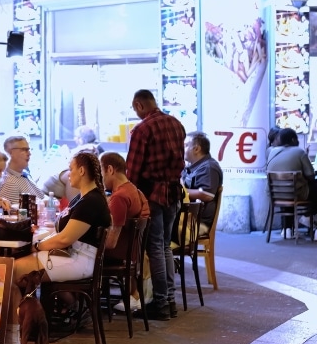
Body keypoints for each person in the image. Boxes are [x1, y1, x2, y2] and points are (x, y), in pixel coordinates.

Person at [12, 152, 111, 327]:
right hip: (74, 257)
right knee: (18, 267)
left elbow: (64, 239)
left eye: (71, 169)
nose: (68, 173)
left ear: (81, 171)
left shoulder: (90, 202)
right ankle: (29, 324)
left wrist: (37, 246)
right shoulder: (83, 198)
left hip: (79, 262)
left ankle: (16, 330)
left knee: (13, 271)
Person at [124, 89, 186, 321]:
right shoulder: (177, 124)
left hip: (152, 194)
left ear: (139, 105)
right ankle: (169, 301)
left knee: (155, 249)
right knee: (166, 246)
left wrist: (130, 195)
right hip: (173, 192)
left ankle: (160, 304)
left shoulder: (142, 130)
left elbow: (133, 170)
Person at [101, 152, 150, 314]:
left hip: (118, 254)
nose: (100, 178)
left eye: (100, 172)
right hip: (131, 252)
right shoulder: (134, 190)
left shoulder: (119, 198)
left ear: (109, 169)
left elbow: (110, 243)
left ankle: (75, 303)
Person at [179, 131, 223, 241]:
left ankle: (165, 257)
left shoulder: (208, 167)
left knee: (157, 232)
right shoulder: (192, 167)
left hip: (197, 223)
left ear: (196, 149)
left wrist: (179, 192)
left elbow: (207, 195)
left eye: (185, 145)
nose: (182, 149)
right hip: (187, 218)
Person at [266, 128, 314, 200]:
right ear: (293, 140)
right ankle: (314, 211)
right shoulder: (299, 151)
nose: (298, 142)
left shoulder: (272, 152)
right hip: (295, 195)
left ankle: (288, 210)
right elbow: (311, 175)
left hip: (274, 195)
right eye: (297, 139)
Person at [0, 135, 44, 205]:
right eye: (24, 150)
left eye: (28, 150)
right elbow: (15, 214)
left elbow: (41, 197)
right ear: (11, 153)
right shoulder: (9, 183)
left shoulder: (24, 174)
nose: (29, 153)